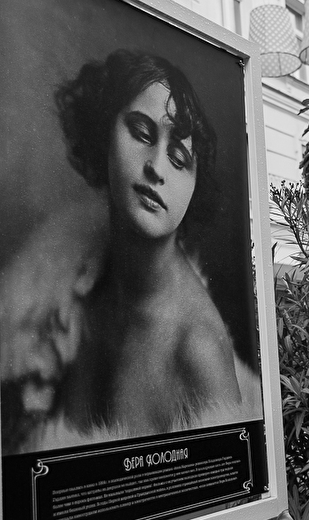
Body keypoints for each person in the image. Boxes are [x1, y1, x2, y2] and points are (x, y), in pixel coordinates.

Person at [52, 50, 241, 437]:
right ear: (104, 132)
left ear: (195, 188)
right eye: (141, 133)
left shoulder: (199, 348)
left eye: (179, 158)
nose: (156, 167)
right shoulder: (81, 281)